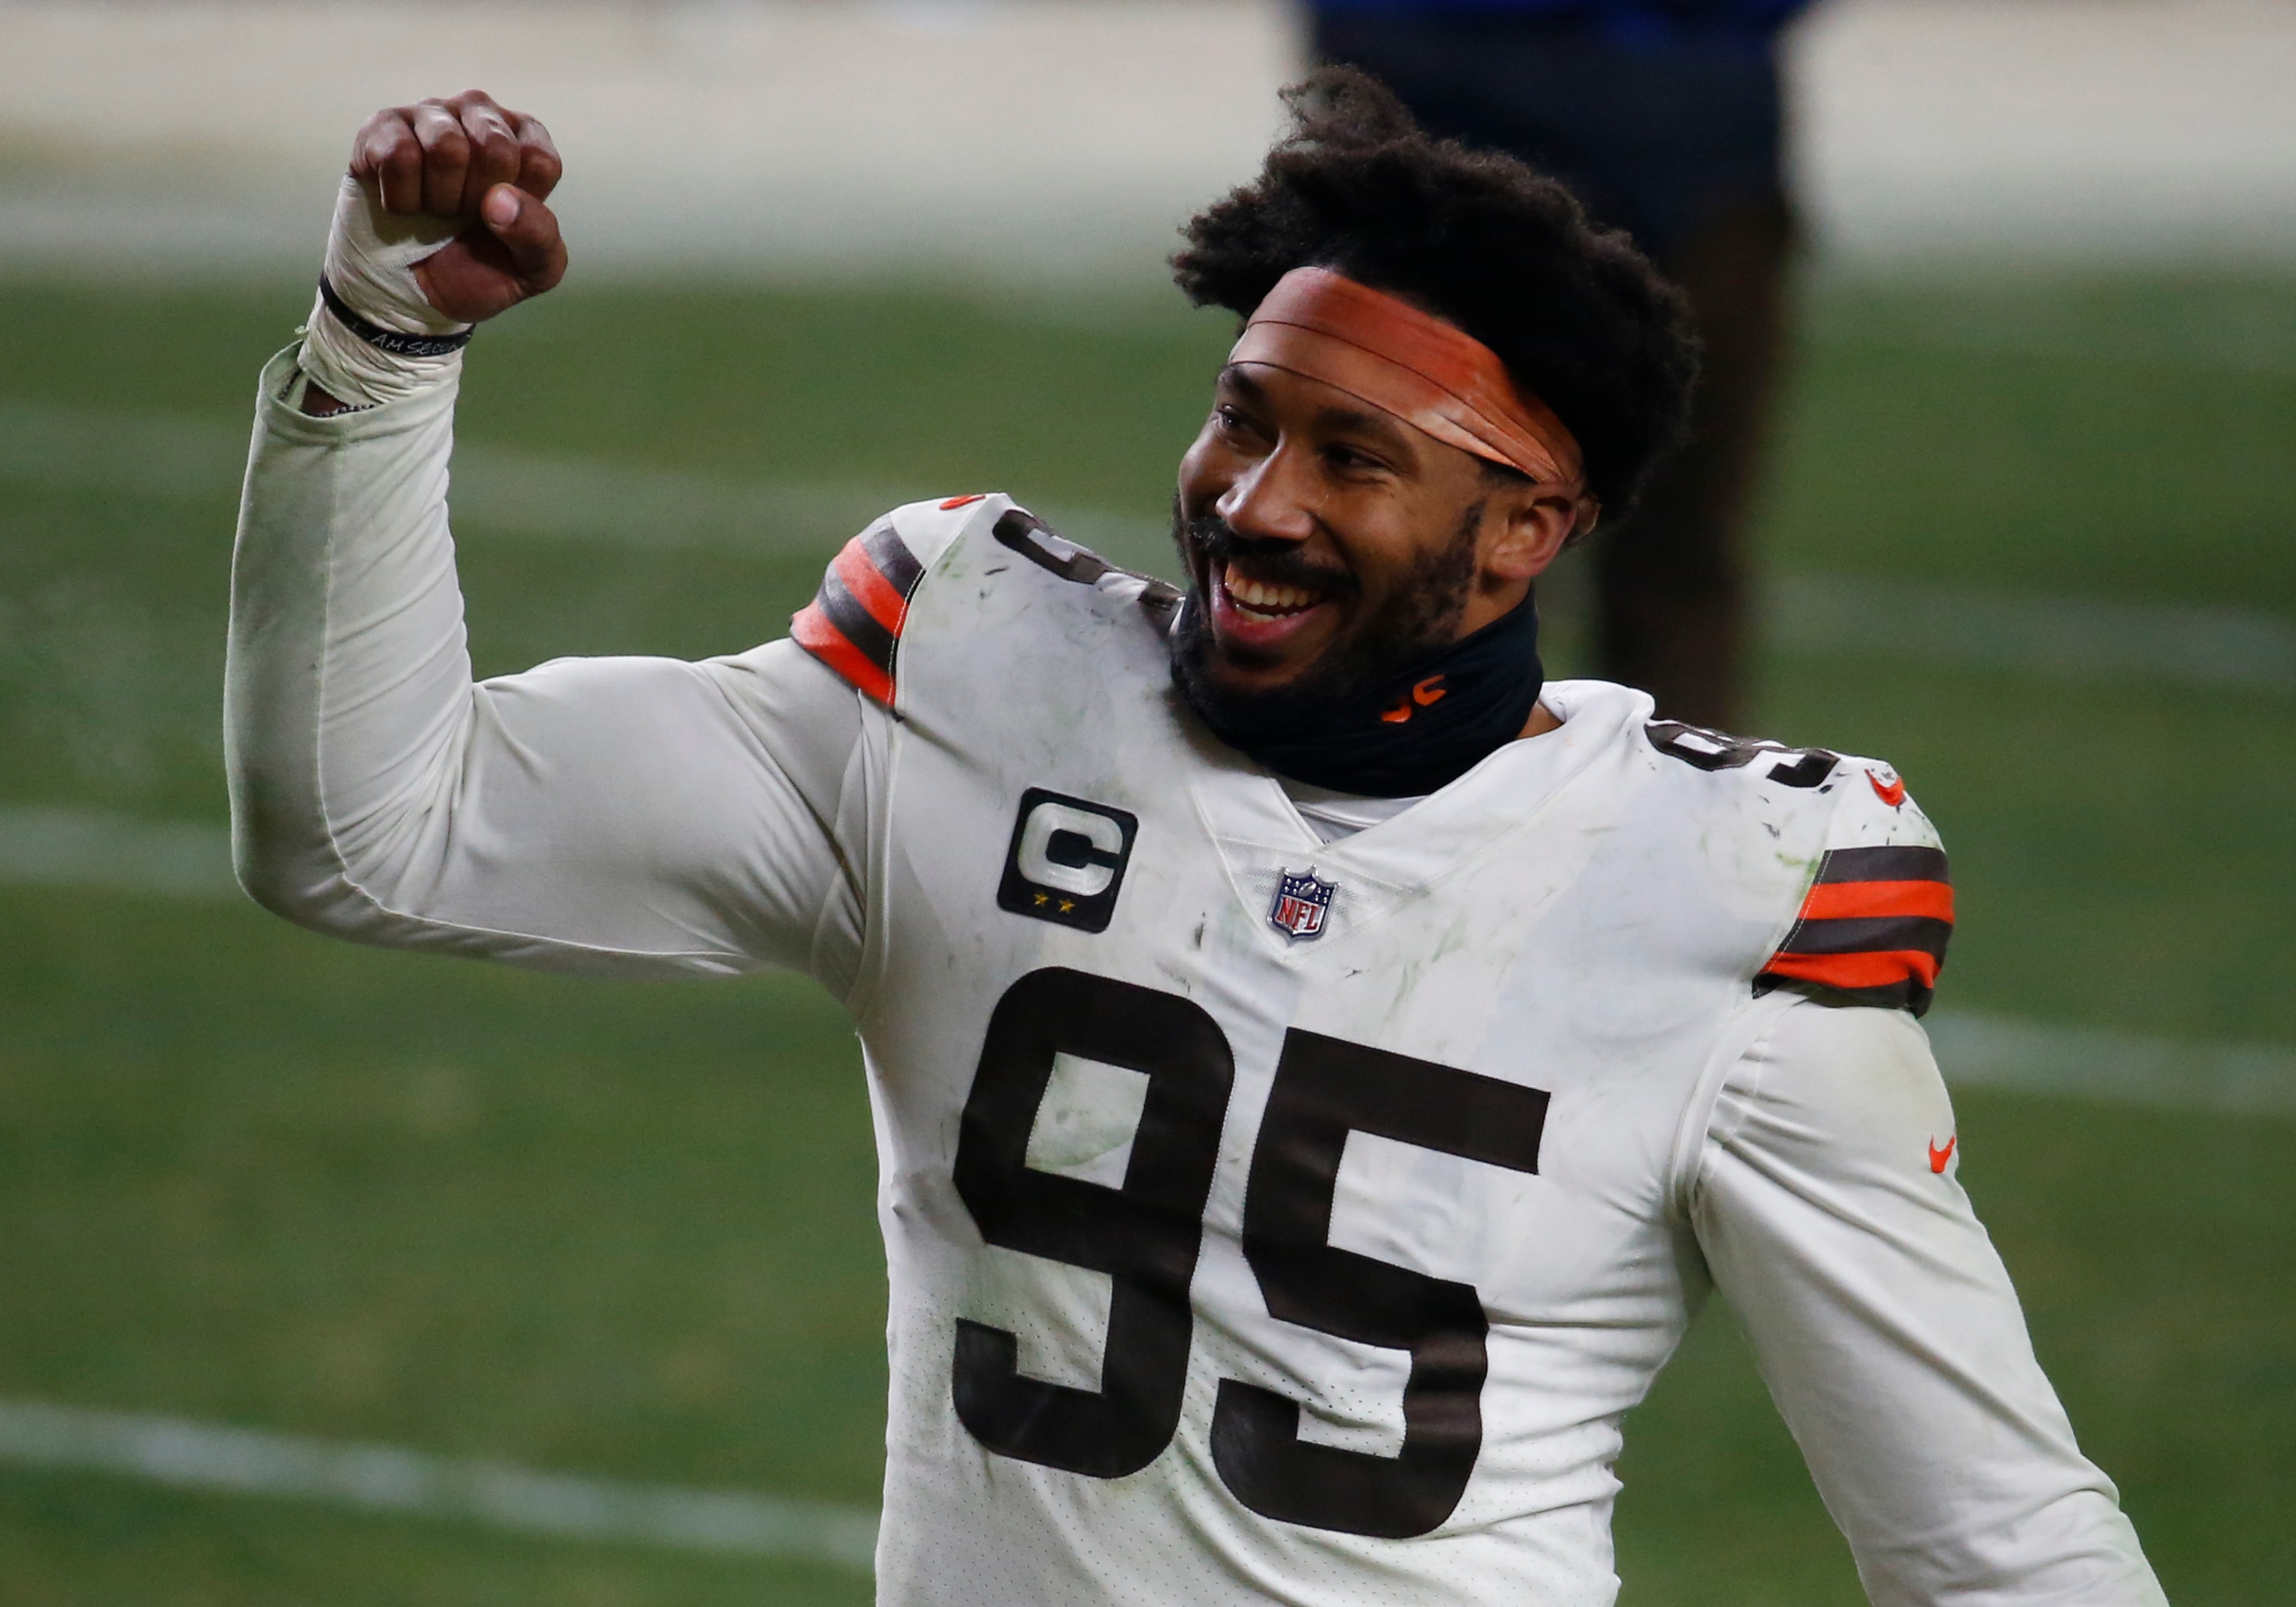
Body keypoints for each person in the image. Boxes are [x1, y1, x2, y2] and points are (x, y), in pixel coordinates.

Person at [227, 77, 2165, 1607]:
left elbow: (1985, 1536)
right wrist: (381, 352)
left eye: (1352, 459)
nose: (1249, 503)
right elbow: (370, 835)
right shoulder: (968, 689)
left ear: (1525, 531)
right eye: (1243, 418)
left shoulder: (1729, 894)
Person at [1312, 0, 1812, 728]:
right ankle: (1379, 815)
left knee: (1679, 543)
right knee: (1409, 533)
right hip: (1448, 104)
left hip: (1695, 119)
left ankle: (1687, 825)